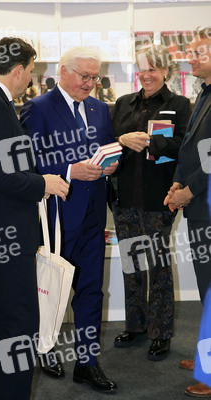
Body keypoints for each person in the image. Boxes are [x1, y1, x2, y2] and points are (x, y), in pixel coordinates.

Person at [0, 37, 69, 400]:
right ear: (19, 69)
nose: (32, 78)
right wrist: (44, 183)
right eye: (32, 70)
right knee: (18, 323)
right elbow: (0, 176)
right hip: (4, 233)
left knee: (0, 322)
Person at [20, 46, 118, 393]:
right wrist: (68, 170)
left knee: (92, 291)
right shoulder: (38, 107)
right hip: (55, 216)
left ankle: (87, 363)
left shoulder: (100, 108)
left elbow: (104, 148)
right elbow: (27, 163)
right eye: (84, 76)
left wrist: (110, 162)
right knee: (50, 288)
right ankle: (46, 349)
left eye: (95, 77)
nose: (91, 83)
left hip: (93, 216)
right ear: (63, 71)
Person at [111, 44, 192, 361]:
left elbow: (183, 146)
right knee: (132, 265)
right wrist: (121, 140)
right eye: (142, 68)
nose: (146, 74)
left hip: (158, 199)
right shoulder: (122, 104)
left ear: (166, 71)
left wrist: (147, 141)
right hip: (124, 198)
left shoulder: (180, 104)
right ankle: (136, 325)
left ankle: (161, 333)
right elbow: (109, 141)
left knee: (157, 267)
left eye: (153, 69)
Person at [164, 26, 211, 398]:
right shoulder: (203, 93)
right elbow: (190, 148)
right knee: (206, 287)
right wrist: (179, 183)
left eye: (199, 52)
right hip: (198, 206)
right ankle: (204, 356)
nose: (190, 57)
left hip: (206, 205)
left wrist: (189, 191)